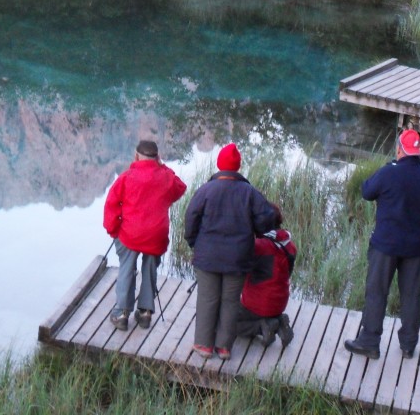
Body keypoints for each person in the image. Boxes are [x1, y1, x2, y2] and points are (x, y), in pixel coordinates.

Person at [344, 128, 420, 360]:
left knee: (377, 292)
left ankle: (369, 341)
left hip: (385, 246)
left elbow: (367, 191)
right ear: (418, 152)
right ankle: (408, 345)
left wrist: (390, 166)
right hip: (415, 248)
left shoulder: (388, 173)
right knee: (411, 295)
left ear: (399, 149)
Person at [184, 143, 277, 360]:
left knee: (207, 299)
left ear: (219, 165)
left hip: (207, 257)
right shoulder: (249, 192)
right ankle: (224, 347)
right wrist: (258, 231)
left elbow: (191, 218)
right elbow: (267, 218)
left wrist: (193, 242)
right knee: (231, 301)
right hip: (238, 258)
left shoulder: (206, 190)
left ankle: (204, 345)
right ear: (238, 166)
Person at [103, 139, 187, 331]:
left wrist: (113, 230)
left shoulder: (126, 177)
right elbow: (180, 188)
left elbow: (111, 205)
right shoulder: (165, 177)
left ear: (136, 156)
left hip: (130, 234)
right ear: (157, 157)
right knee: (150, 270)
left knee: (127, 268)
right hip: (156, 235)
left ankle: (122, 313)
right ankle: (145, 313)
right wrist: (163, 166)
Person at [236, 203, 297, 348]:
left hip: (257, 304)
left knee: (223, 321)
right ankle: (279, 321)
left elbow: (237, 266)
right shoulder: (289, 245)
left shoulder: (259, 246)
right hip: (280, 302)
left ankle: (262, 327)